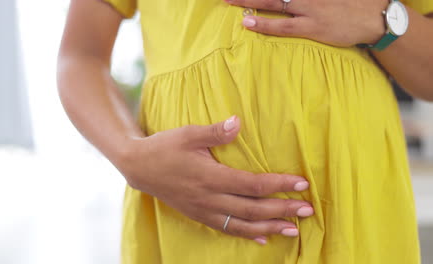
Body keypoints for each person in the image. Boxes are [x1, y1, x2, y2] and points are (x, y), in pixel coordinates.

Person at [57, 0, 433, 262]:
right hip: (190, 220)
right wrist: (130, 155)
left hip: (357, 209)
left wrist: (382, 17)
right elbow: (80, 54)